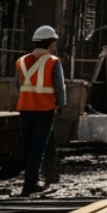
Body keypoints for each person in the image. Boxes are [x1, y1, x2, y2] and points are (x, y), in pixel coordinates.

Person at [15, 25, 65, 195]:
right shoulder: (53, 62)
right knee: (38, 146)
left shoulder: (21, 62)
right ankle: (30, 183)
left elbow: (17, 85)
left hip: (25, 108)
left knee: (31, 145)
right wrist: (62, 104)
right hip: (45, 108)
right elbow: (59, 87)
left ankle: (48, 176)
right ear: (51, 44)